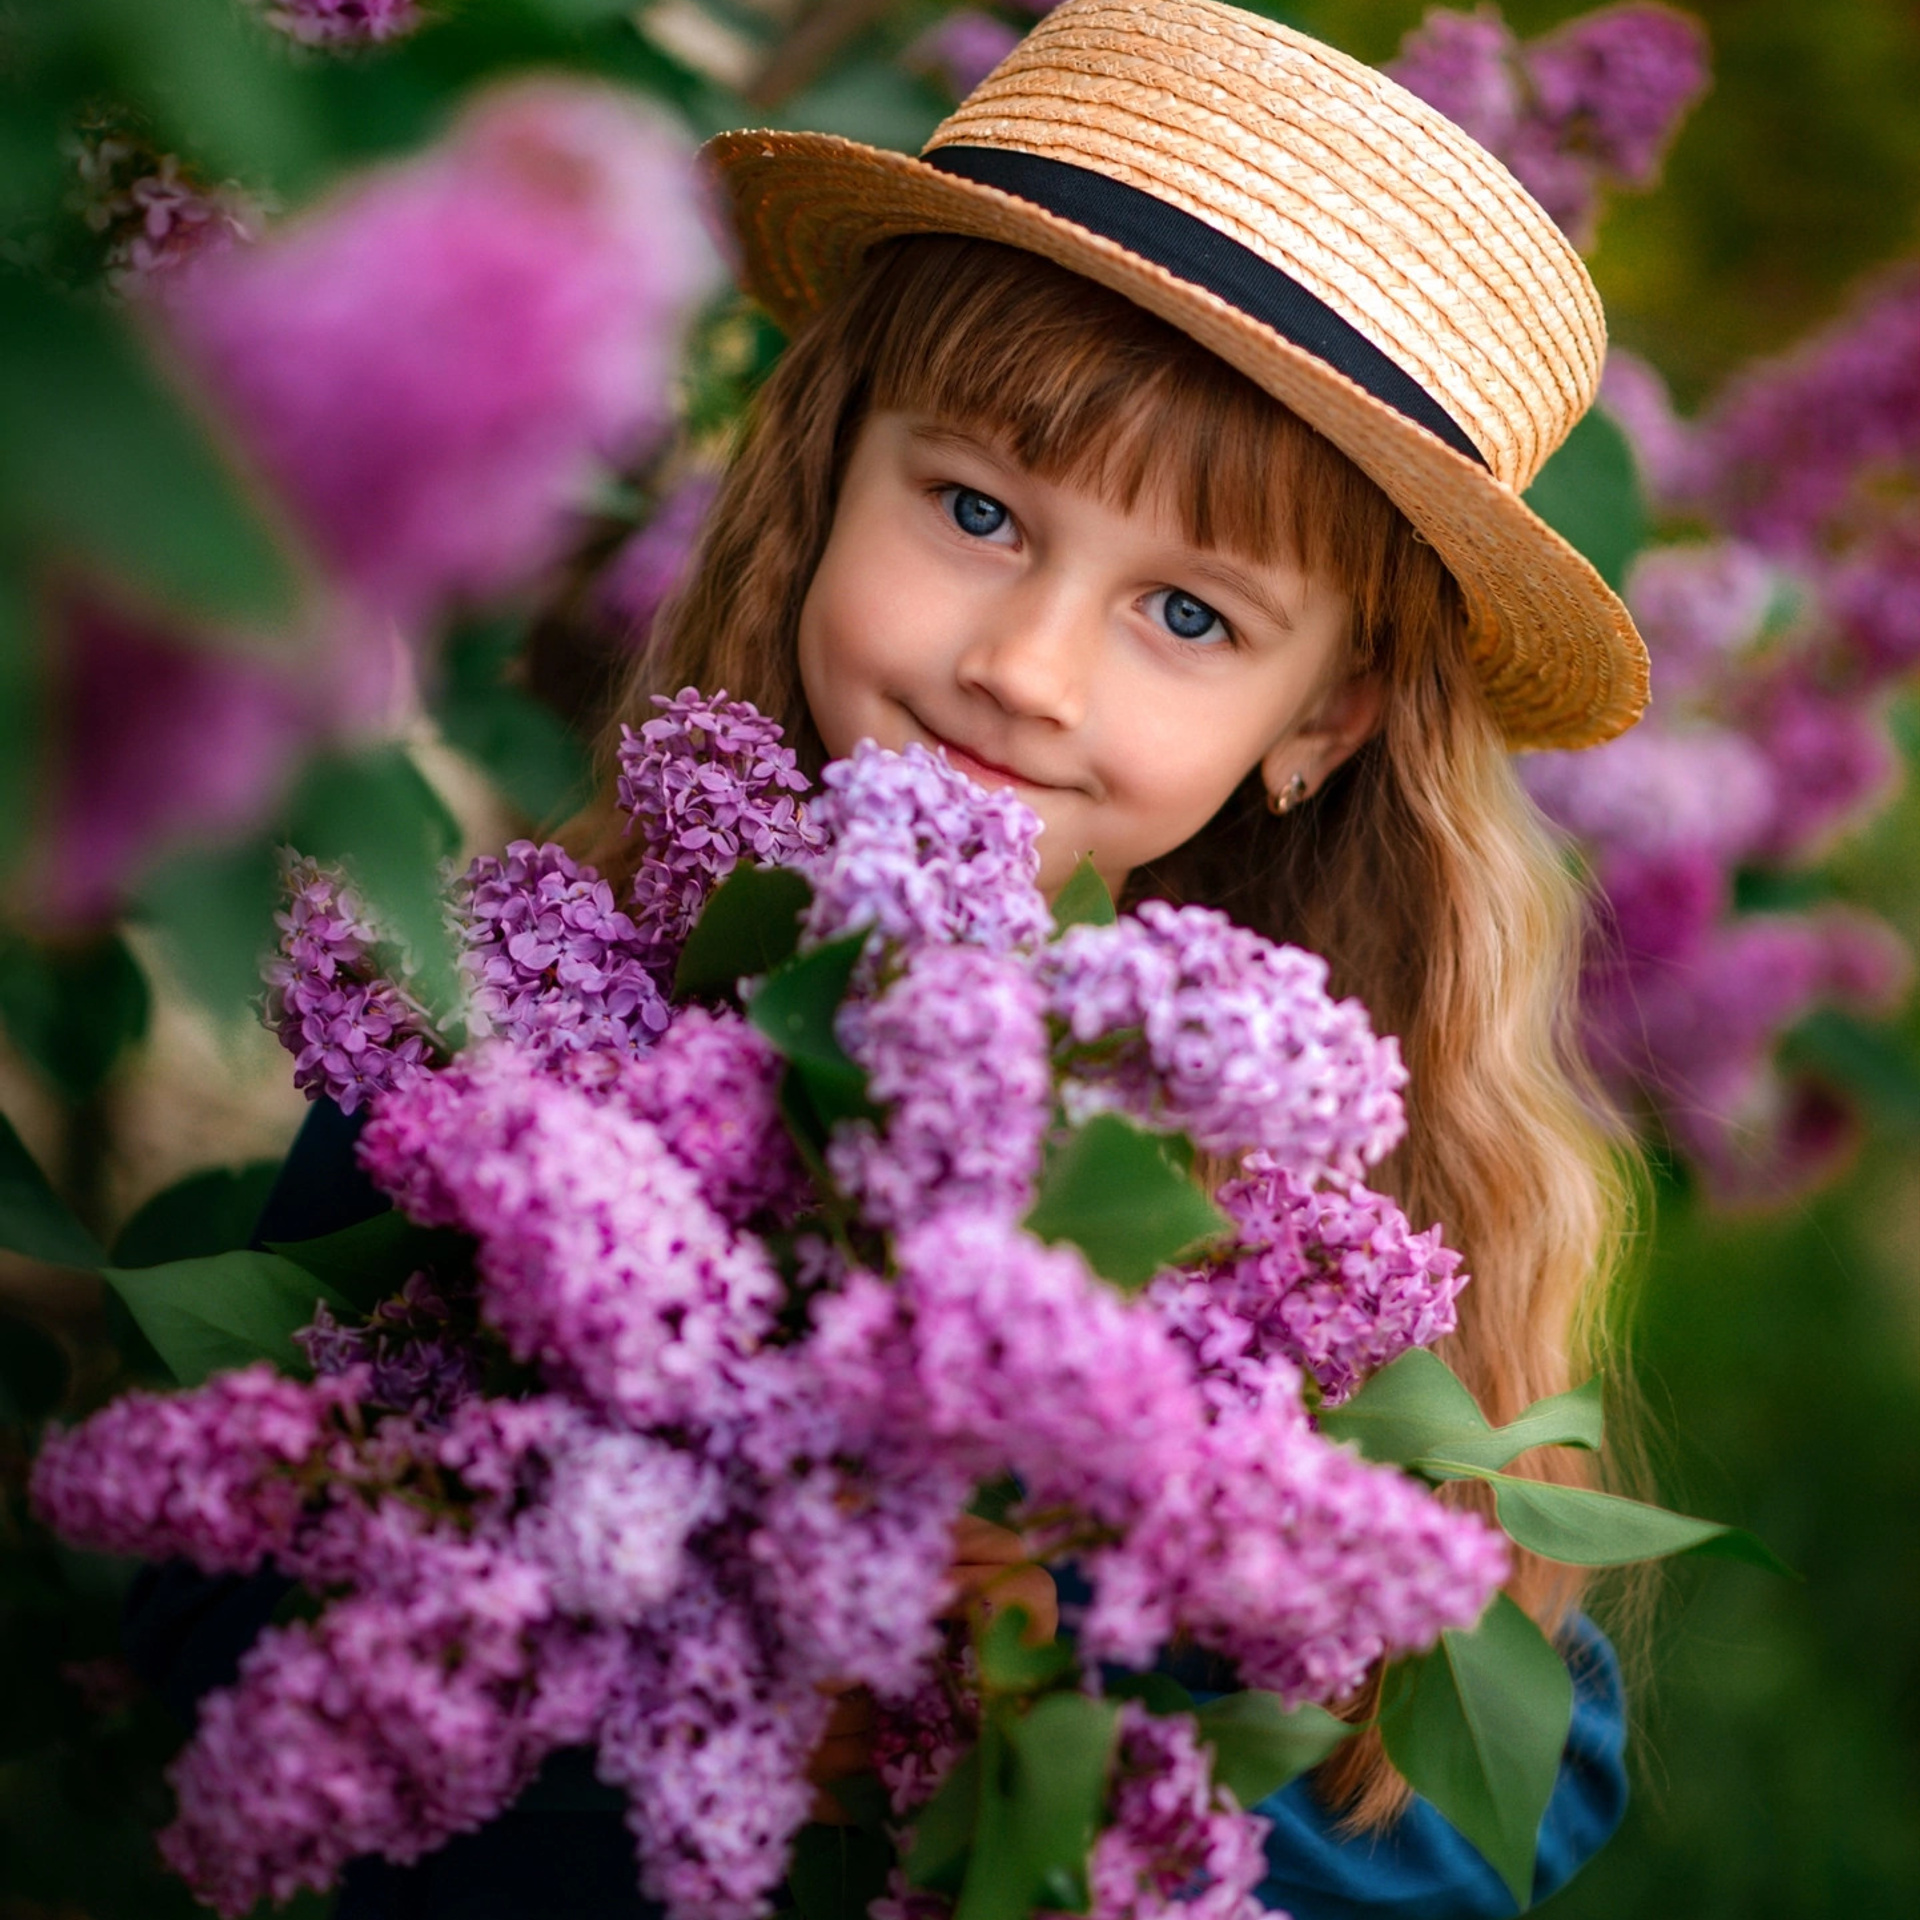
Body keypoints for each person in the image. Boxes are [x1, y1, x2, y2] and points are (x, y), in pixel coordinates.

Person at [131, 2, 1641, 1912]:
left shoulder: (1302, 1223)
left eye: (1188, 610)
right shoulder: (532, 1040)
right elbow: (215, 1610)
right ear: (834, 469)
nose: (1023, 664)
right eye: (979, 510)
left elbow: (1505, 1786)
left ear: (1323, 719)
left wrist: (1046, 1660)